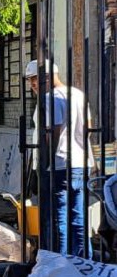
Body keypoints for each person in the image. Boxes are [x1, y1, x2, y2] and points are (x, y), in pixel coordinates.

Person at [25, 60, 94, 256]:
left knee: (58, 218)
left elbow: (52, 131)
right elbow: (88, 126)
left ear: (47, 77)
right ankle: (83, 263)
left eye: (35, 80)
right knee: (78, 216)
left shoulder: (50, 98)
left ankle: (58, 263)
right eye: (31, 81)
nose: (33, 85)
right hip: (80, 162)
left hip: (58, 164)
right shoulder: (78, 94)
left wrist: (46, 161)